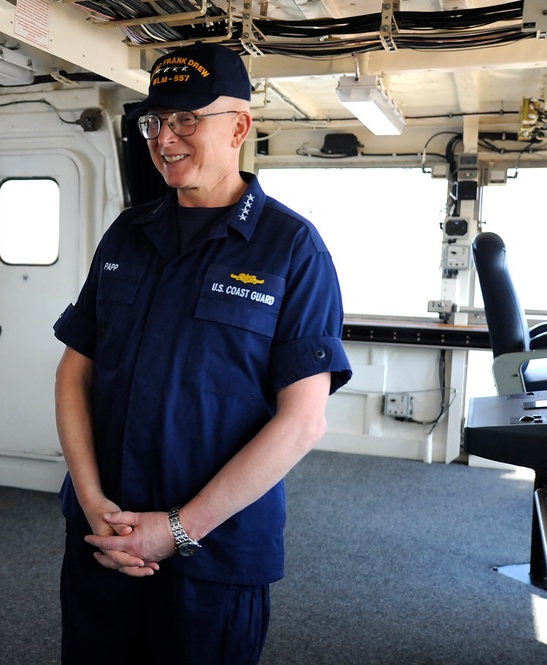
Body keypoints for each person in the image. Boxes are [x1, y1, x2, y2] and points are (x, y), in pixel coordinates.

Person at [53, 43, 352, 664]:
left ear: (240, 126)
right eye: (156, 121)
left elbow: (303, 421)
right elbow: (74, 374)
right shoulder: (127, 235)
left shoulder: (292, 248)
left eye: (188, 119)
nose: (166, 138)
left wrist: (178, 528)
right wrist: (89, 500)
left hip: (214, 551)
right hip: (103, 535)